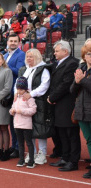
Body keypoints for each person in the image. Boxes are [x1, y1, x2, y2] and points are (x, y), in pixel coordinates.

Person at [48, 40, 80, 172]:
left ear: (65, 51)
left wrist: (52, 97)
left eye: (57, 51)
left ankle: (73, 161)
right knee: (62, 132)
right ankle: (65, 157)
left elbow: (66, 84)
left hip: (67, 103)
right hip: (58, 103)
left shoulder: (72, 63)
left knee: (71, 133)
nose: (54, 53)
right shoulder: (58, 63)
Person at [17, 49, 51, 165]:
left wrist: (31, 94)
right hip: (23, 102)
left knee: (40, 127)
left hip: (39, 102)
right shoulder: (23, 69)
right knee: (27, 128)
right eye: (27, 56)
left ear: (37, 57)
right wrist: (17, 95)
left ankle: (42, 153)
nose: (29, 59)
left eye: (31, 56)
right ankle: (33, 152)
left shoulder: (43, 69)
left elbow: (44, 86)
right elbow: (17, 85)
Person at [70, 44, 91, 178]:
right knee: (89, 140)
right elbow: (72, 91)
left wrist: (82, 81)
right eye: (88, 53)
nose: (90, 56)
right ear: (84, 56)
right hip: (81, 110)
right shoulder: (81, 69)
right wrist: (77, 82)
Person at [4, 34, 26, 158]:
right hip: (6, 93)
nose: (12, 43)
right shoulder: (6, 55)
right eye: (10, 41)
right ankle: (14, 145)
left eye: (15, 41)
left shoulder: (21, 54)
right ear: (7, 42)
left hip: (15, 93)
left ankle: (18, 147)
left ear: (19, 42)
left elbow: (19, 71)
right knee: (10, 122)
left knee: (16, 122)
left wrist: (6, 65)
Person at [10, 77, 37, 168]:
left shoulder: (29, 98)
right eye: (18, 89)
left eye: (21, 89)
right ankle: (21, 160)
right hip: (17, 124)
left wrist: (21, 111)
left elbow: (33, 110)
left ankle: (31, 161)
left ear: (25, 89)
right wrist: (12, 111)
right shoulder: (16, 97)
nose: (19, 91)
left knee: (29, 143)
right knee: (20, 143)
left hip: (26, 125)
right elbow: (12, 108)